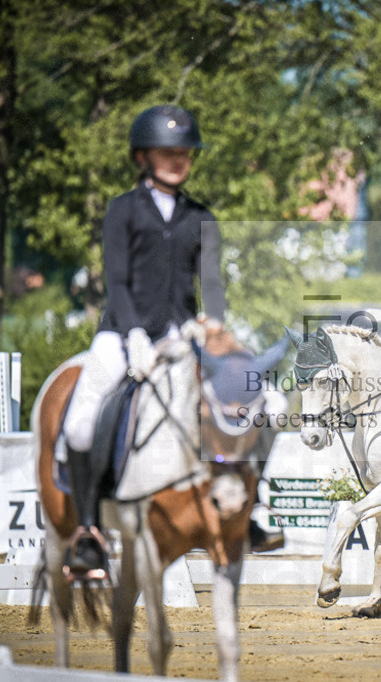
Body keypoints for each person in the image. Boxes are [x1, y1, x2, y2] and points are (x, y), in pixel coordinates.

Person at [61, 104, 228, 579]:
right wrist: (133, 334)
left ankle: (240, 513)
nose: (178, 159)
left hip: (179, 335)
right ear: (143, 157)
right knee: (79, 423)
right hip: (122, 334)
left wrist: (212, 324)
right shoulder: (122, 209)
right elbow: (116, 279)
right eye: (166, 151)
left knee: (230, 402)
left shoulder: (201, 216)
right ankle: (89, 532)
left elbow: (212, 284)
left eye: (185, 152)